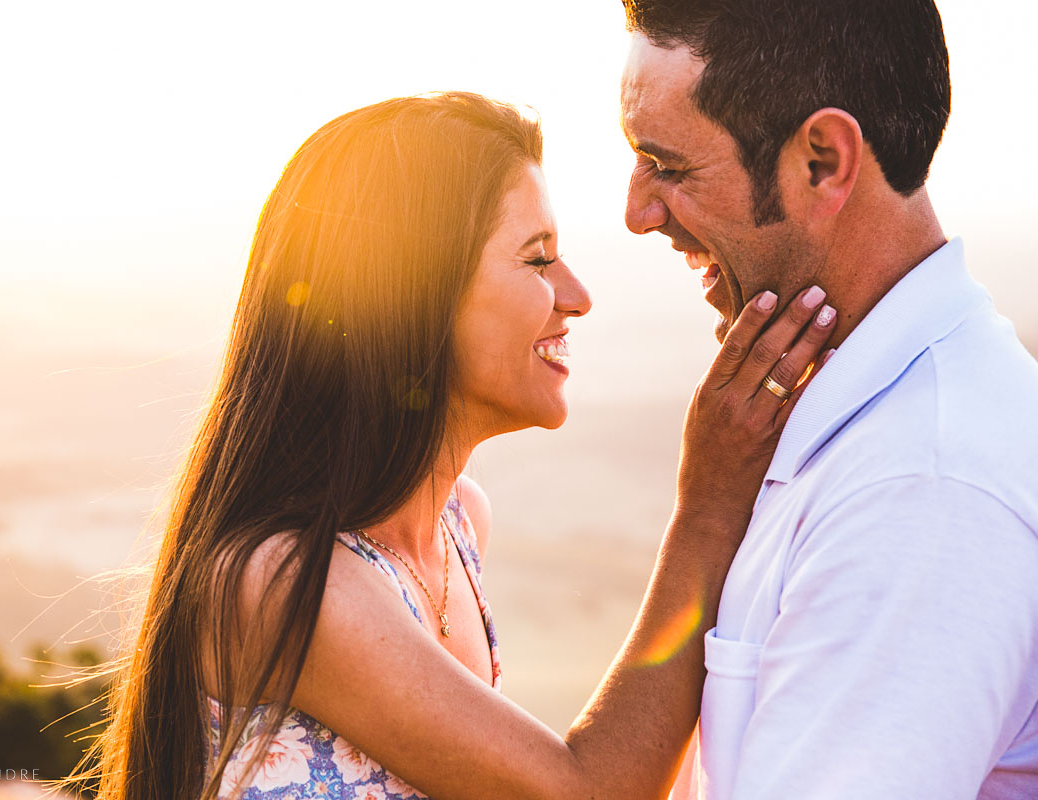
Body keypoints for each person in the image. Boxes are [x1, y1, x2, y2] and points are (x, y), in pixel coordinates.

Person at [71, 92, 836, 800]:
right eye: (537, 258)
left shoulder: (459, 524)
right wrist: (706, 510)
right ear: (413, 293)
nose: (577, 294)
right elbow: (589, 791)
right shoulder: (285, 583)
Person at [619, 2, 1038, 798]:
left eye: (667, 167)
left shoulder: (924, 489)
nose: (637, 214)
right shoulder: (876, 412)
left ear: (823, 160)